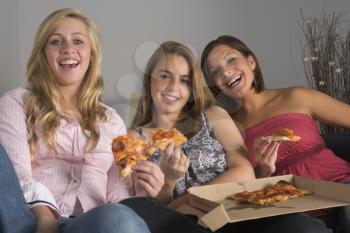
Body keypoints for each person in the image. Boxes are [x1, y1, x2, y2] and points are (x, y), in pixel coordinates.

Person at [122, 40, 332, 233]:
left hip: (235, 211)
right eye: (164, 76)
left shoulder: (214, 116)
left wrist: (189, 198)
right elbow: (148, 208)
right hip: (186, 225)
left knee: (301, 225)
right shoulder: (133, 138)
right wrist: (168, 182)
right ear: (149, 79)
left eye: (184, 80)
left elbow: (244, 172)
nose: (174, 87)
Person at [0, 8, 164, 233]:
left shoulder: (111, 121)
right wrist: (47, 219)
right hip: (27, 220)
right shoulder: (17, 101)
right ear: (43, 53)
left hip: (88, 224)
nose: (68, 49)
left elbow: (117, 197)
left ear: (92, 53)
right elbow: (16, 176)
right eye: (56, 42)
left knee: (121, 218)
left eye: (78, 41)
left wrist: (143, 193)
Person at [201, 35, 350, 233]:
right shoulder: (226, 128)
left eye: (231, 59)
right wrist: (263, 170)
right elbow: (243, 187)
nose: (226, 71)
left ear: (251, 61)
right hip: (289, 205)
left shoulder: (297, 97)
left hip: (340, 185)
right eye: (215, 72)